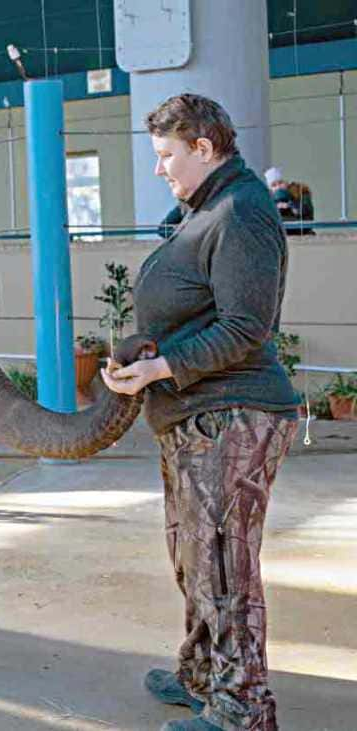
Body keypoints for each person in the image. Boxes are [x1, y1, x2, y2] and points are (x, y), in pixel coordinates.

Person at [102, 94, 299, 731]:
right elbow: (198, 312)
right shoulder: (204, 211)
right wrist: (147, 353)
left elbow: (247, 325)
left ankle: (243, 708)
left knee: (223, 564)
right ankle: (204, 674)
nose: (159, 168)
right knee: (194, 557)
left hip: (232, 414)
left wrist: (161, 368)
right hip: (195, 415)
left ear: (204, 149)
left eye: (166, 155)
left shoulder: (241, 210)